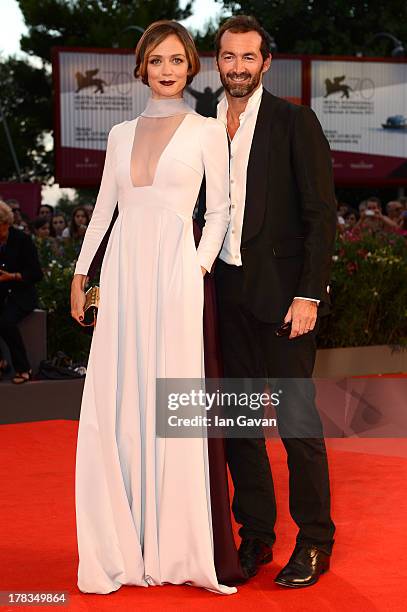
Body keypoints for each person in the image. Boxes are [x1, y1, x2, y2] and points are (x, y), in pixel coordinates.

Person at [70, 20, 238, 596]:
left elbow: (218, 213)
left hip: (175, 276)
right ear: (142, 67)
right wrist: (80, 272)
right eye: (157, 60)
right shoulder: (118, 134)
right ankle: (122, 541)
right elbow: (102, 212)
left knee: (170, 400)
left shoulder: (205, 131)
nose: (167, 70)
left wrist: (195, 268)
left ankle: (175, 547)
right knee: (118, 402)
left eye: (177, 60)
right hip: (120, 276)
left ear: (191, 68)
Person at [210, 16, 337, 588]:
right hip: (223, 297)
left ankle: (314, 540)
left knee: (296, 425)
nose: (237, 67)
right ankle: (256, 534)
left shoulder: (293, 121)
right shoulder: (202, 127)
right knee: (238, 426)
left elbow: (319, 214)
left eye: (248, 57)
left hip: (286, 299)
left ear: (265, 63)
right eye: (228, 57)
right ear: (217, 61)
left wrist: (309, 292)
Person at [0, 201, 43, 383]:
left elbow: (36, 273)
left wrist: (13, 276)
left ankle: (24, 368)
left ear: (5, 223)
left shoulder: (22, 240)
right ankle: (1, 361)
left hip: (21, 295)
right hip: (1, 295)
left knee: (5, 322)